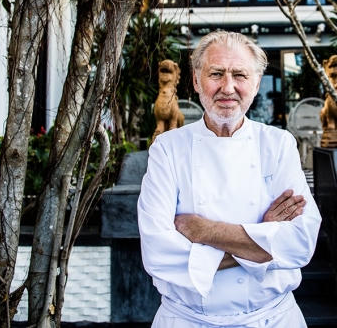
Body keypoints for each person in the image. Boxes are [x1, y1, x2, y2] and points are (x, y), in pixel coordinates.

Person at [137, 30, 322, 328]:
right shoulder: (168, 149)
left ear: (256, 83)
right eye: (216, 74)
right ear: (196, 80)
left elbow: (300, 243)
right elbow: (158, 254)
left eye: (240, 75)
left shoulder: (278, 144)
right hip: (187, 321)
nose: (228, 87)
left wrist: (204, 231)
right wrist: (263, 236)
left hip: (272, 320)